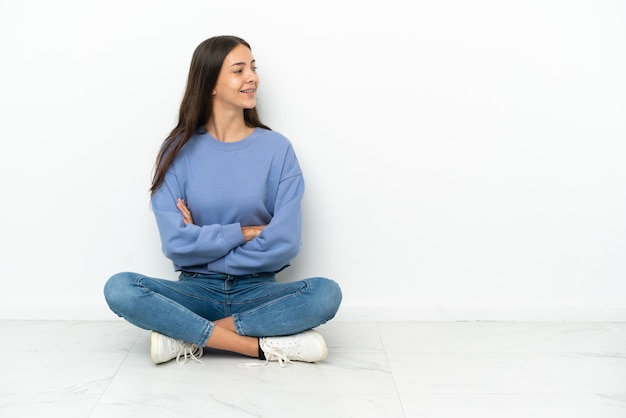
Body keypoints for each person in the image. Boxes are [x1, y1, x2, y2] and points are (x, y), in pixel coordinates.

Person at [103, 35, 342, 367]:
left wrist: (202, 240)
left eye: (253, 68)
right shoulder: (176, 152)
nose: (252, 77)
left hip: (258, 292)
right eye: (238, 70)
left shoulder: (277, 150)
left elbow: (285, 242)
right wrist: (245, 232)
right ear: (210, 84)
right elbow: (175, 244)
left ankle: (187, 335)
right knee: (120, 288)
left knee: (325, 294)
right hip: (195, 292)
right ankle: (258, 347)